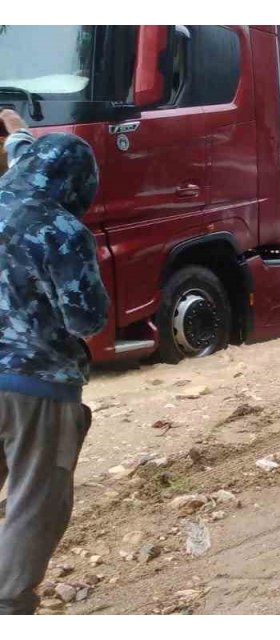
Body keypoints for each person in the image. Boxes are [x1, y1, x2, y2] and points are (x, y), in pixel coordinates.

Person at [0, 124, 109, 615]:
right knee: (34, 502)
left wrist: (17, 138)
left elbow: (26, 159)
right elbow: (86, 319)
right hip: (36, 386)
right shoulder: (60, 230)